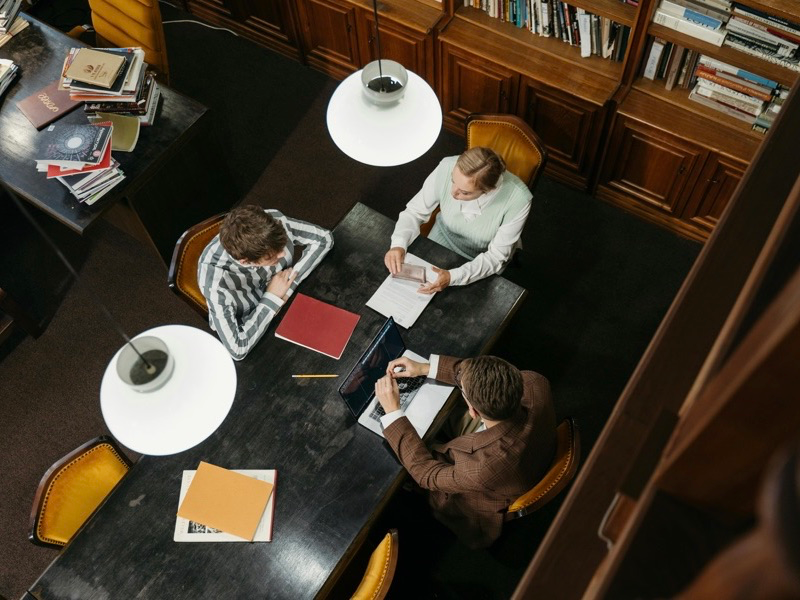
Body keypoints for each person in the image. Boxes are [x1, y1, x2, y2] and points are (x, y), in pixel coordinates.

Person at [374, 354, 557, 549]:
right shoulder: (534, 383)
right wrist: (424, 368)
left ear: (474, 411)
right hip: (527, 449)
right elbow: (479, 371)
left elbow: (426, 473)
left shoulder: (480, 469)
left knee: (404, 454)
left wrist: (393, 412)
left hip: (482, 495)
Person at [384, 147, 532, 293]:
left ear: (487, 190)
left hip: (483, 260)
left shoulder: (519, 199)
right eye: (452, 180)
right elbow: (414, 212)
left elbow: (496, 257)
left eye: (464, 192)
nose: (452, 192)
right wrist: (398, 244)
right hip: (442, 237)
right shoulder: (448, 165)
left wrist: (453, 277)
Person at [198, 205, 333, 360]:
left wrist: (288, 285)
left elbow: (324, 239)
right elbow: (238, 349)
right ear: (247, 261)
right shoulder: (215, 284)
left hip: (288, 301)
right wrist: (272, 297)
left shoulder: (273, 223)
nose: (283, 253)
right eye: (272, 256)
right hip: (253, 324)